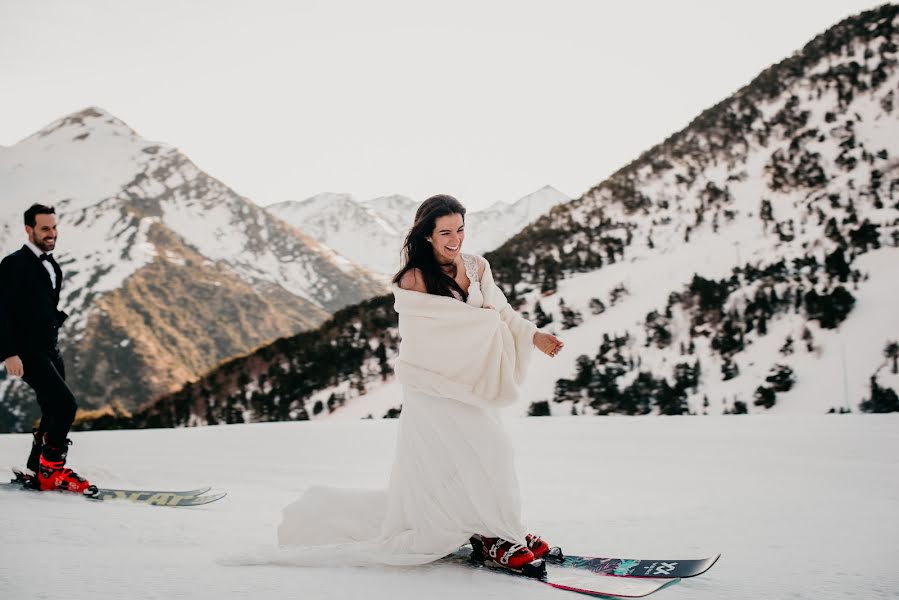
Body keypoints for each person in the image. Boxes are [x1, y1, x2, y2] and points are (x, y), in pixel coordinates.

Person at [273, 194, 564, 570]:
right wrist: (486, 322)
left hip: (472, 382)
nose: (455, 238)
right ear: (427, 234)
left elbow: (501, 311)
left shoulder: (477, 267)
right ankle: (496, 535)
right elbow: (435, 337)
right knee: (491, 452)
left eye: (460, 229)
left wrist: (534, 335)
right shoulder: (415, 279)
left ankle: (500, 528)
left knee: (474, 460)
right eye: (445, 232)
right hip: (434, 386)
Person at [0, 203, 92, 493]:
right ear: (29, 230)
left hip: (49, 347)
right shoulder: (13, 264)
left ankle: (36, 468)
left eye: (54, 227)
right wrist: (8, 352)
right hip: (26, 351)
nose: (52, 233)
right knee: (66, 406)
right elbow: (1, 310)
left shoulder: (52, 265)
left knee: (52, 408)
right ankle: (53, 470)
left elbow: (42, 306)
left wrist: (54, 322)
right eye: (45, 228)